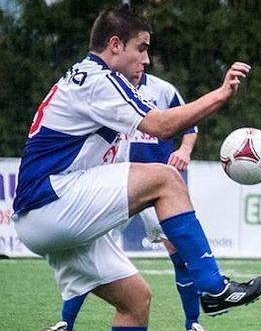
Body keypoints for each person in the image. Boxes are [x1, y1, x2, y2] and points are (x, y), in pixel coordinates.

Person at [13, 4, 261, 331]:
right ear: (116, 45)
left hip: (42, 213)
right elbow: (160, 126)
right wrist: (220, 95)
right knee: (166, 178)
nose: (146, 60)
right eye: (142, 48)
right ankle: (214, 288)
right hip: (51, 202)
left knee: (135, 301)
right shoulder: (99, 79)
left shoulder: (89, 77)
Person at [47, 71, 204, 331]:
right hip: (116, 183)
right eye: (138, 51)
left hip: (156, 186)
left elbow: (190, 124)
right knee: (88, 246)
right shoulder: (107, 89)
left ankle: (193, 324)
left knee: (179, 252)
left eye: (145, 52)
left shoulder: (162, 90)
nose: (142, 61)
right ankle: (66, 323)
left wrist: (184, 150)